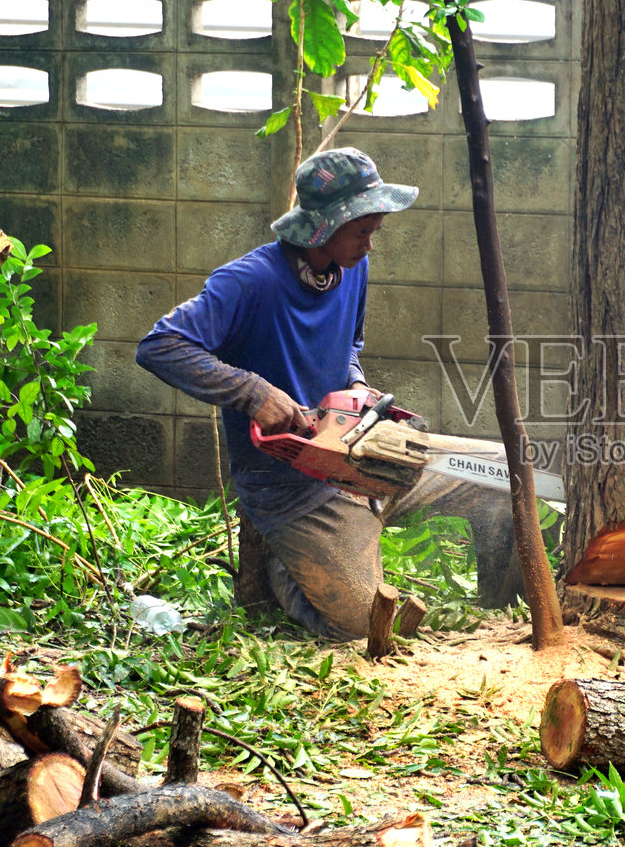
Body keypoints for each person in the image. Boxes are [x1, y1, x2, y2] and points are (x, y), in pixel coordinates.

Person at [137, 147, 517, 639]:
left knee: (506, 474)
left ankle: (499, 607)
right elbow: (159, 345)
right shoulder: (249, 281)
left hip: (363, 450)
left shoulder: (350, 267)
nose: (370, 245)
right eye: (363, 232)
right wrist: (253, 391)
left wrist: (355, 383)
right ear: (325, 226)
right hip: (295, 490)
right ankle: (287, 575)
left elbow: (348, 345)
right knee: (367, 625)